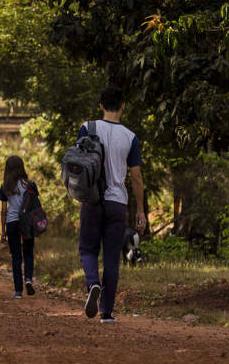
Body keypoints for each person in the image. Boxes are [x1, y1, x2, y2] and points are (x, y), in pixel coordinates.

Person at [77, 86, 145, 323]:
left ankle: (93, 283)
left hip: (93, 200)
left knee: (87, 249)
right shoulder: (130, 136)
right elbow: (136, 177)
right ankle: (106, 312)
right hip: (118, 202)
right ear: (123, 106)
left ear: (101, 106)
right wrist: (140, 210)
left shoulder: (88, 127)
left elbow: (77, 163)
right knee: (112, 258)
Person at [0, 156, 36, 299]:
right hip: (27, 222)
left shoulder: (5, 186)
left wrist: (3, 231)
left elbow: (4, 210)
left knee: (15, 257)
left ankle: (18, 291)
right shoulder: (30, 184)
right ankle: (28, 278)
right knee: (28, 253)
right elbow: (35, 205)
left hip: (12, 222)